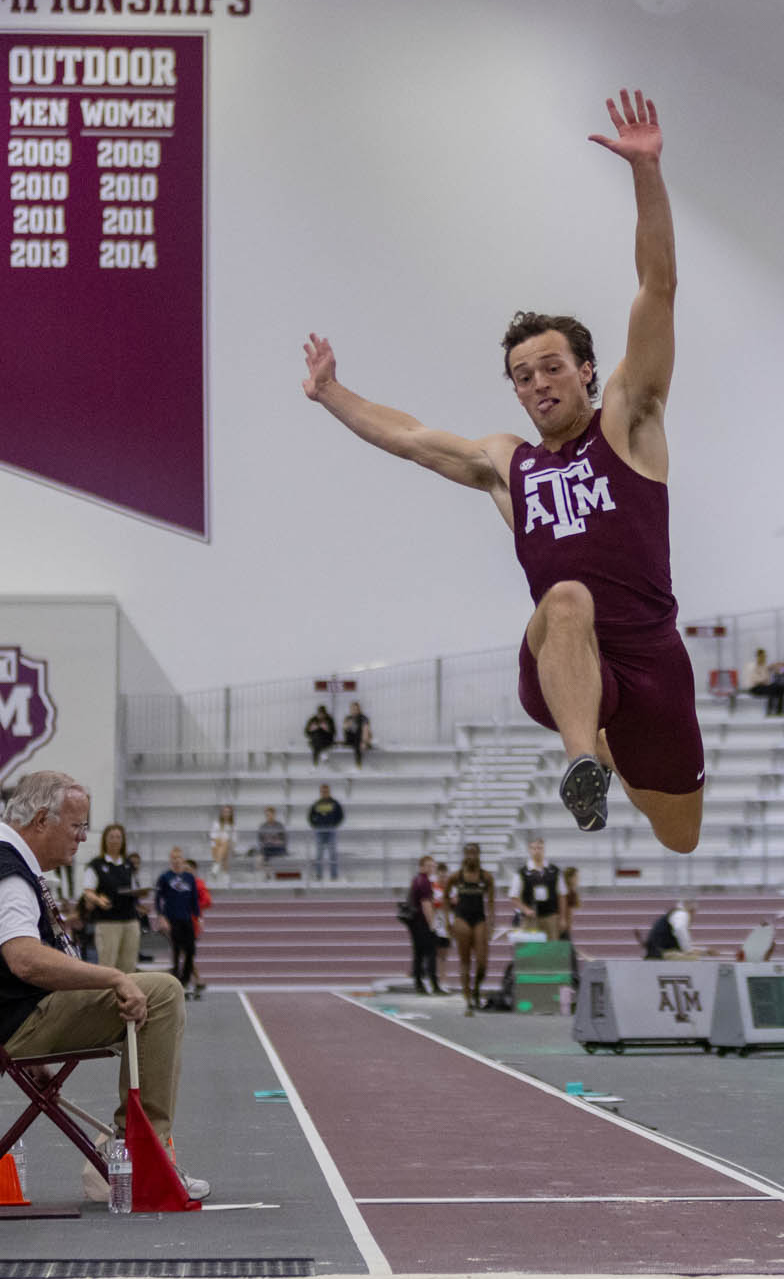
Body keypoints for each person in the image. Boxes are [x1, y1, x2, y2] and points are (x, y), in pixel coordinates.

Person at [301, 89, 703, 854]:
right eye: (523, 375)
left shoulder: (629, 419)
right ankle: (583, 760)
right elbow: (411, 436)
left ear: (587, 371)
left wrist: (645, 172)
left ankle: (608, 752)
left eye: (552, 366)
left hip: (650, 662)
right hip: (557, 657)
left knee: (679, 835)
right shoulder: (504, 464)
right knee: (565, 598)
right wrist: (330, 393)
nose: (538, 383)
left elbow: (658, 289)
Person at [0, 771, 205, 1196]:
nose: (82, 837)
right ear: (41, 820)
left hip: (10, 1020)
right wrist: (114, 976)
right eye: (77, 826)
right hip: (17, 1023)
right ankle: (139, 1160)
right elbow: (24, 960)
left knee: (150, 992)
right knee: (164, 992)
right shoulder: (4, 874)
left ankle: (127, 1151)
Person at [79, 823, 145, 975]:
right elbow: (88, 891)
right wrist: (98, 900)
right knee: (108, 964)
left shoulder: (128, 864)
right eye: (111, 837)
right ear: (105, 840)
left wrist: (141, 893)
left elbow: (135, 888)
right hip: (107, 921)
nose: (115, 840)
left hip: (130, 920)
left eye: (118, 837)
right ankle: (107, 998)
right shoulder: (96, 864)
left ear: (123, 841)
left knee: (129, 965)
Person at [446, 844, 495, 1015]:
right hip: (462, 918)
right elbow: (445, 898)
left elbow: (491, 903)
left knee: (482, 962)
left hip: (479, 919)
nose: (472, 857)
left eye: (475, 853)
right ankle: (468, 999)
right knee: (465, 961)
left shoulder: (486, 877)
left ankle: (476, 989)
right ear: (464, 855)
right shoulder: (456, 877)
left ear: (479, 855)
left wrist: (491, 924)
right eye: (469, 853)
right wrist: (447, 921)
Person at [154, 846, 202, 995]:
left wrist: (198, 917)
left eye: (178, 858)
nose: (176, 861)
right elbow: (158, 899)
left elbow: (194, 898)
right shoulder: (165, 877)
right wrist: (161, 916)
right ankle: (176, 981)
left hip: (187, 918)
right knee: (176, 950)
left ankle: (185, 979)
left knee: (190, 950)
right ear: (170, 860)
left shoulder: (189, 878)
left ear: (183, 860)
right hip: (172, 919)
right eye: (173, 858)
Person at [403, 856, 444, 995]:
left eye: (433, 866)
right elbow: (426, 905)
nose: (432, 868)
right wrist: (432, 925)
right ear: (422, 866)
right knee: (430, 954)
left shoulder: (416, 880)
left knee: (418, 954)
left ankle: (419, 984)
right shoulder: (425, 882)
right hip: (422, 922)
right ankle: (434, 985)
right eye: (429, 866)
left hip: (415, 922)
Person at [512, 837, 565, 940]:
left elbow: (562, 895)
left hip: (551, 916)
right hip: (530, 918)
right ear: (529, 850)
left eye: (539, 848)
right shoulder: (521, 872)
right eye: (534, 848)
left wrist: (562, 918)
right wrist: (526, 910)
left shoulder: (555, 871)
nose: (537, 851)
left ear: (544, 849)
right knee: (531, 951)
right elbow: (513, 896)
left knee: (551, 948)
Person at [307, 783, 344, 881]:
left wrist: (334, 824)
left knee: (333, 854)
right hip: (320, 830)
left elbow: (340, 816)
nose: (324, 793)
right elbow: (310, 816)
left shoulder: (334, 803)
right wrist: (315, 825)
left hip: (331, 830)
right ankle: (319, 875)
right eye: (323, 792)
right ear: (320, 792)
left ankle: (334, 876)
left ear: (329, 792)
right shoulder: (317, 803)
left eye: (326, 791)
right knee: (319, 854)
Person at [208, 805, 236, 888]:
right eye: (224, 812)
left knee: (225, 844)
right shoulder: (216, 824)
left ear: (231, 814)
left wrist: (225, 843)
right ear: (221, 813)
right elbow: (213, 837)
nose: (226, 814)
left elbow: (234, 840)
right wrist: (222, 842)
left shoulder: (233, 826)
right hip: (216, 847)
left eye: (228, 812)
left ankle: (216, 866)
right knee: (223, 846)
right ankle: (225, 878)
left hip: (228, 848)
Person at [341, 702, 373, 769]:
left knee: (359, 741)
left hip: (360, 739)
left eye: (356, 709)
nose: (354, 711)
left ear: (359, 709)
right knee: (354, 735)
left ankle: (358, 765)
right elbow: (344, 728)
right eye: (352, 709)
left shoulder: (363, 718)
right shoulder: (348, 718)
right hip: (351, 739)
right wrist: (349, 724)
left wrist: (364, 742)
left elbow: (366, 730)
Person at [560, 866, 582, 941]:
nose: (578, 879)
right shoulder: (566, 893)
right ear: (570, 878)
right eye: (576, 877)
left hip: (566, 926)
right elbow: (567, 912)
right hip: (562, 926)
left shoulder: (572, 892)